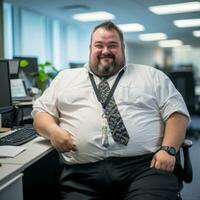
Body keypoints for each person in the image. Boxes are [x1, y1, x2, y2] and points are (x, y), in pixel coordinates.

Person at [32, 21, 190, 200]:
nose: (105, 50)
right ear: (90, 47)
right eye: (99, 45)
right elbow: (41, 113)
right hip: (82, 175)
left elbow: (177, 113)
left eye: (112, 45)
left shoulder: (152, 76)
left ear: (123, 48)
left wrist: (168, 150)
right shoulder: (65, 78)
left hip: (145, 168)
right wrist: (53, 131)